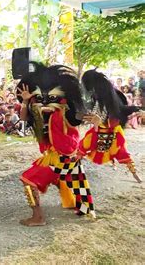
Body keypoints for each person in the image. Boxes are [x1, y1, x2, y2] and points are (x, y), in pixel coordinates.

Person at [16, 63, 94, 226]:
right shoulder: (39, 114)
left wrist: (93, 117)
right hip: (64, 156)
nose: (44, 102)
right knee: (75, 181)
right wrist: (25, 101)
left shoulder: (64, 113)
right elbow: (23, 119)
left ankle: (38, 217)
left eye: (50, 98)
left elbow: (79, 116)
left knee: (27, 179)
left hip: (61, 158)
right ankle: (84, 208)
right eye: (39, 98)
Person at [79, 69, 142, 183]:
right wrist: (136, 109)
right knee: (122, 152)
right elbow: (121, 110)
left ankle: (72, 168)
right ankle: (135, 175)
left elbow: (97, 117)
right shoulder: (112, 95)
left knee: (82, 147)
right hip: (113, 132)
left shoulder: (101, 97)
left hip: (103, 132)